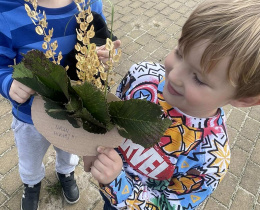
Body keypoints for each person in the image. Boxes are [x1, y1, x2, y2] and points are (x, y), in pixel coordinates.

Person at [88, 0, 260, 209]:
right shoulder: (141, 75)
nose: (174, 75)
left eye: (198, 78)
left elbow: (169, 205)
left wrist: (117, 182)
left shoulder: (210, 157)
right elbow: (110, 114)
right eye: (179, 53)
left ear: (244, 99)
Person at [0, 0, 120, 209]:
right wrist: (10, 84)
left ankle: (65, 172)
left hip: (72, 115)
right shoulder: (2, 9)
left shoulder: (90, 3)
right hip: (28, 116)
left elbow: (99, 38)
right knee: (30, 156)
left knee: (69, 152)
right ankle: (31, 182)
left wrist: (102, 56)